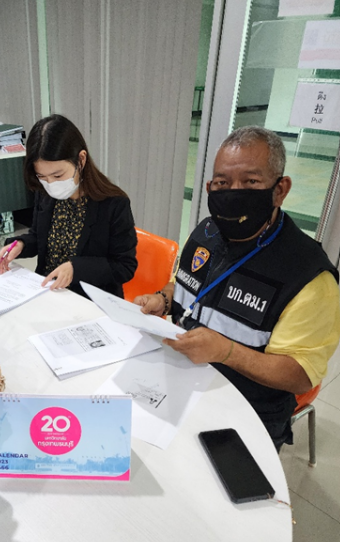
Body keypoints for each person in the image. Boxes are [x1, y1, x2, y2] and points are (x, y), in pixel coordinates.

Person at [135, 126, 340, 451]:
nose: (233, 193)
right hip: (179, 377)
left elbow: (301, 374)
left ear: (280, 190)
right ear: (209, 188)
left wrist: (227, 352)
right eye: (222, 183)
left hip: (248, 410)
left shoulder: (308, 276)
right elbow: (186, 286)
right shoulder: (206, 232)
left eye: (251, 182)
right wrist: (163, 299)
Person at [0, 114, 137, 298]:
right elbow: (38, 237)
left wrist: (76, 268)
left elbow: (124, 266)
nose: (51, 184)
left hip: (88, 299)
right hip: (47, 291)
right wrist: (21, 244)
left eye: (58, 175)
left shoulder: (113, 204)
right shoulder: (45, 193)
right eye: (42, 176)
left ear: (81, 160)